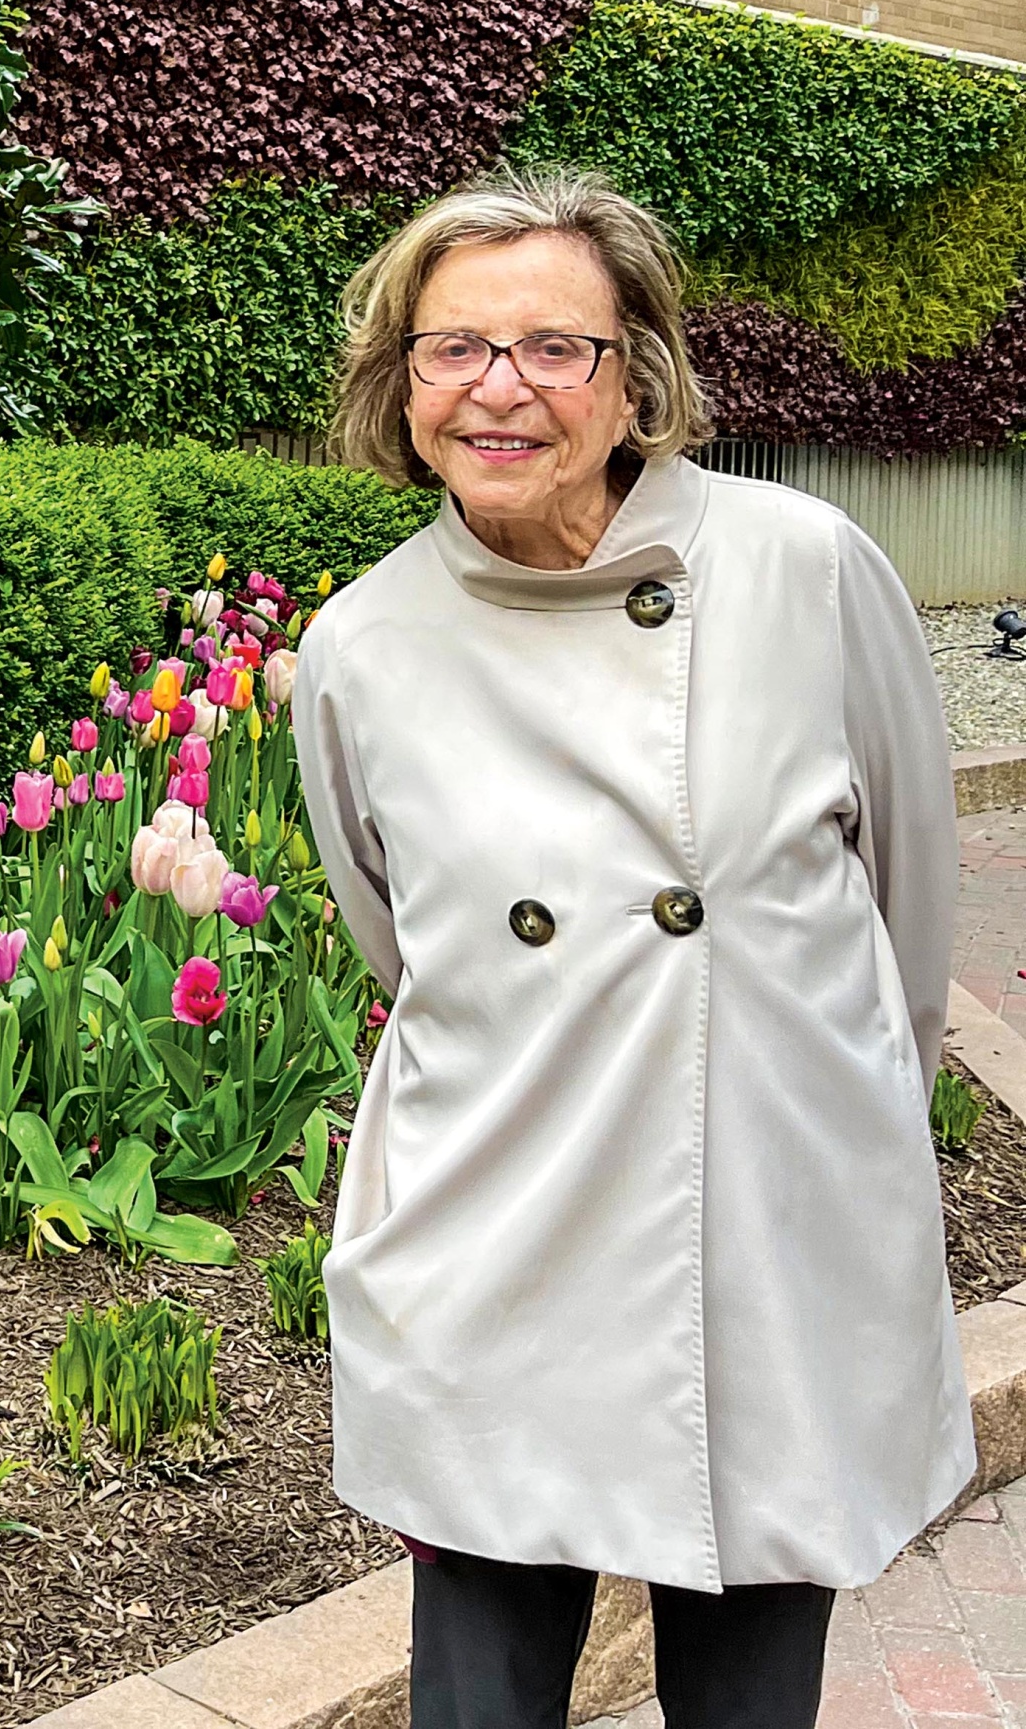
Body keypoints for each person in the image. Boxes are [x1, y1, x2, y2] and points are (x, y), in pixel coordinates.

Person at [289, 164, 974, 1729]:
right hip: (494, 1238)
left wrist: (832, 1129)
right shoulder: (362, 651)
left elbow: (909, 922)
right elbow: (402, 944)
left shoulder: (804, 568)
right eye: (453, 348)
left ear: (635, 375)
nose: (500, 390)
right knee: (476, 1705)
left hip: (752, 1234)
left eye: (554, 347)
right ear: (400, 388)